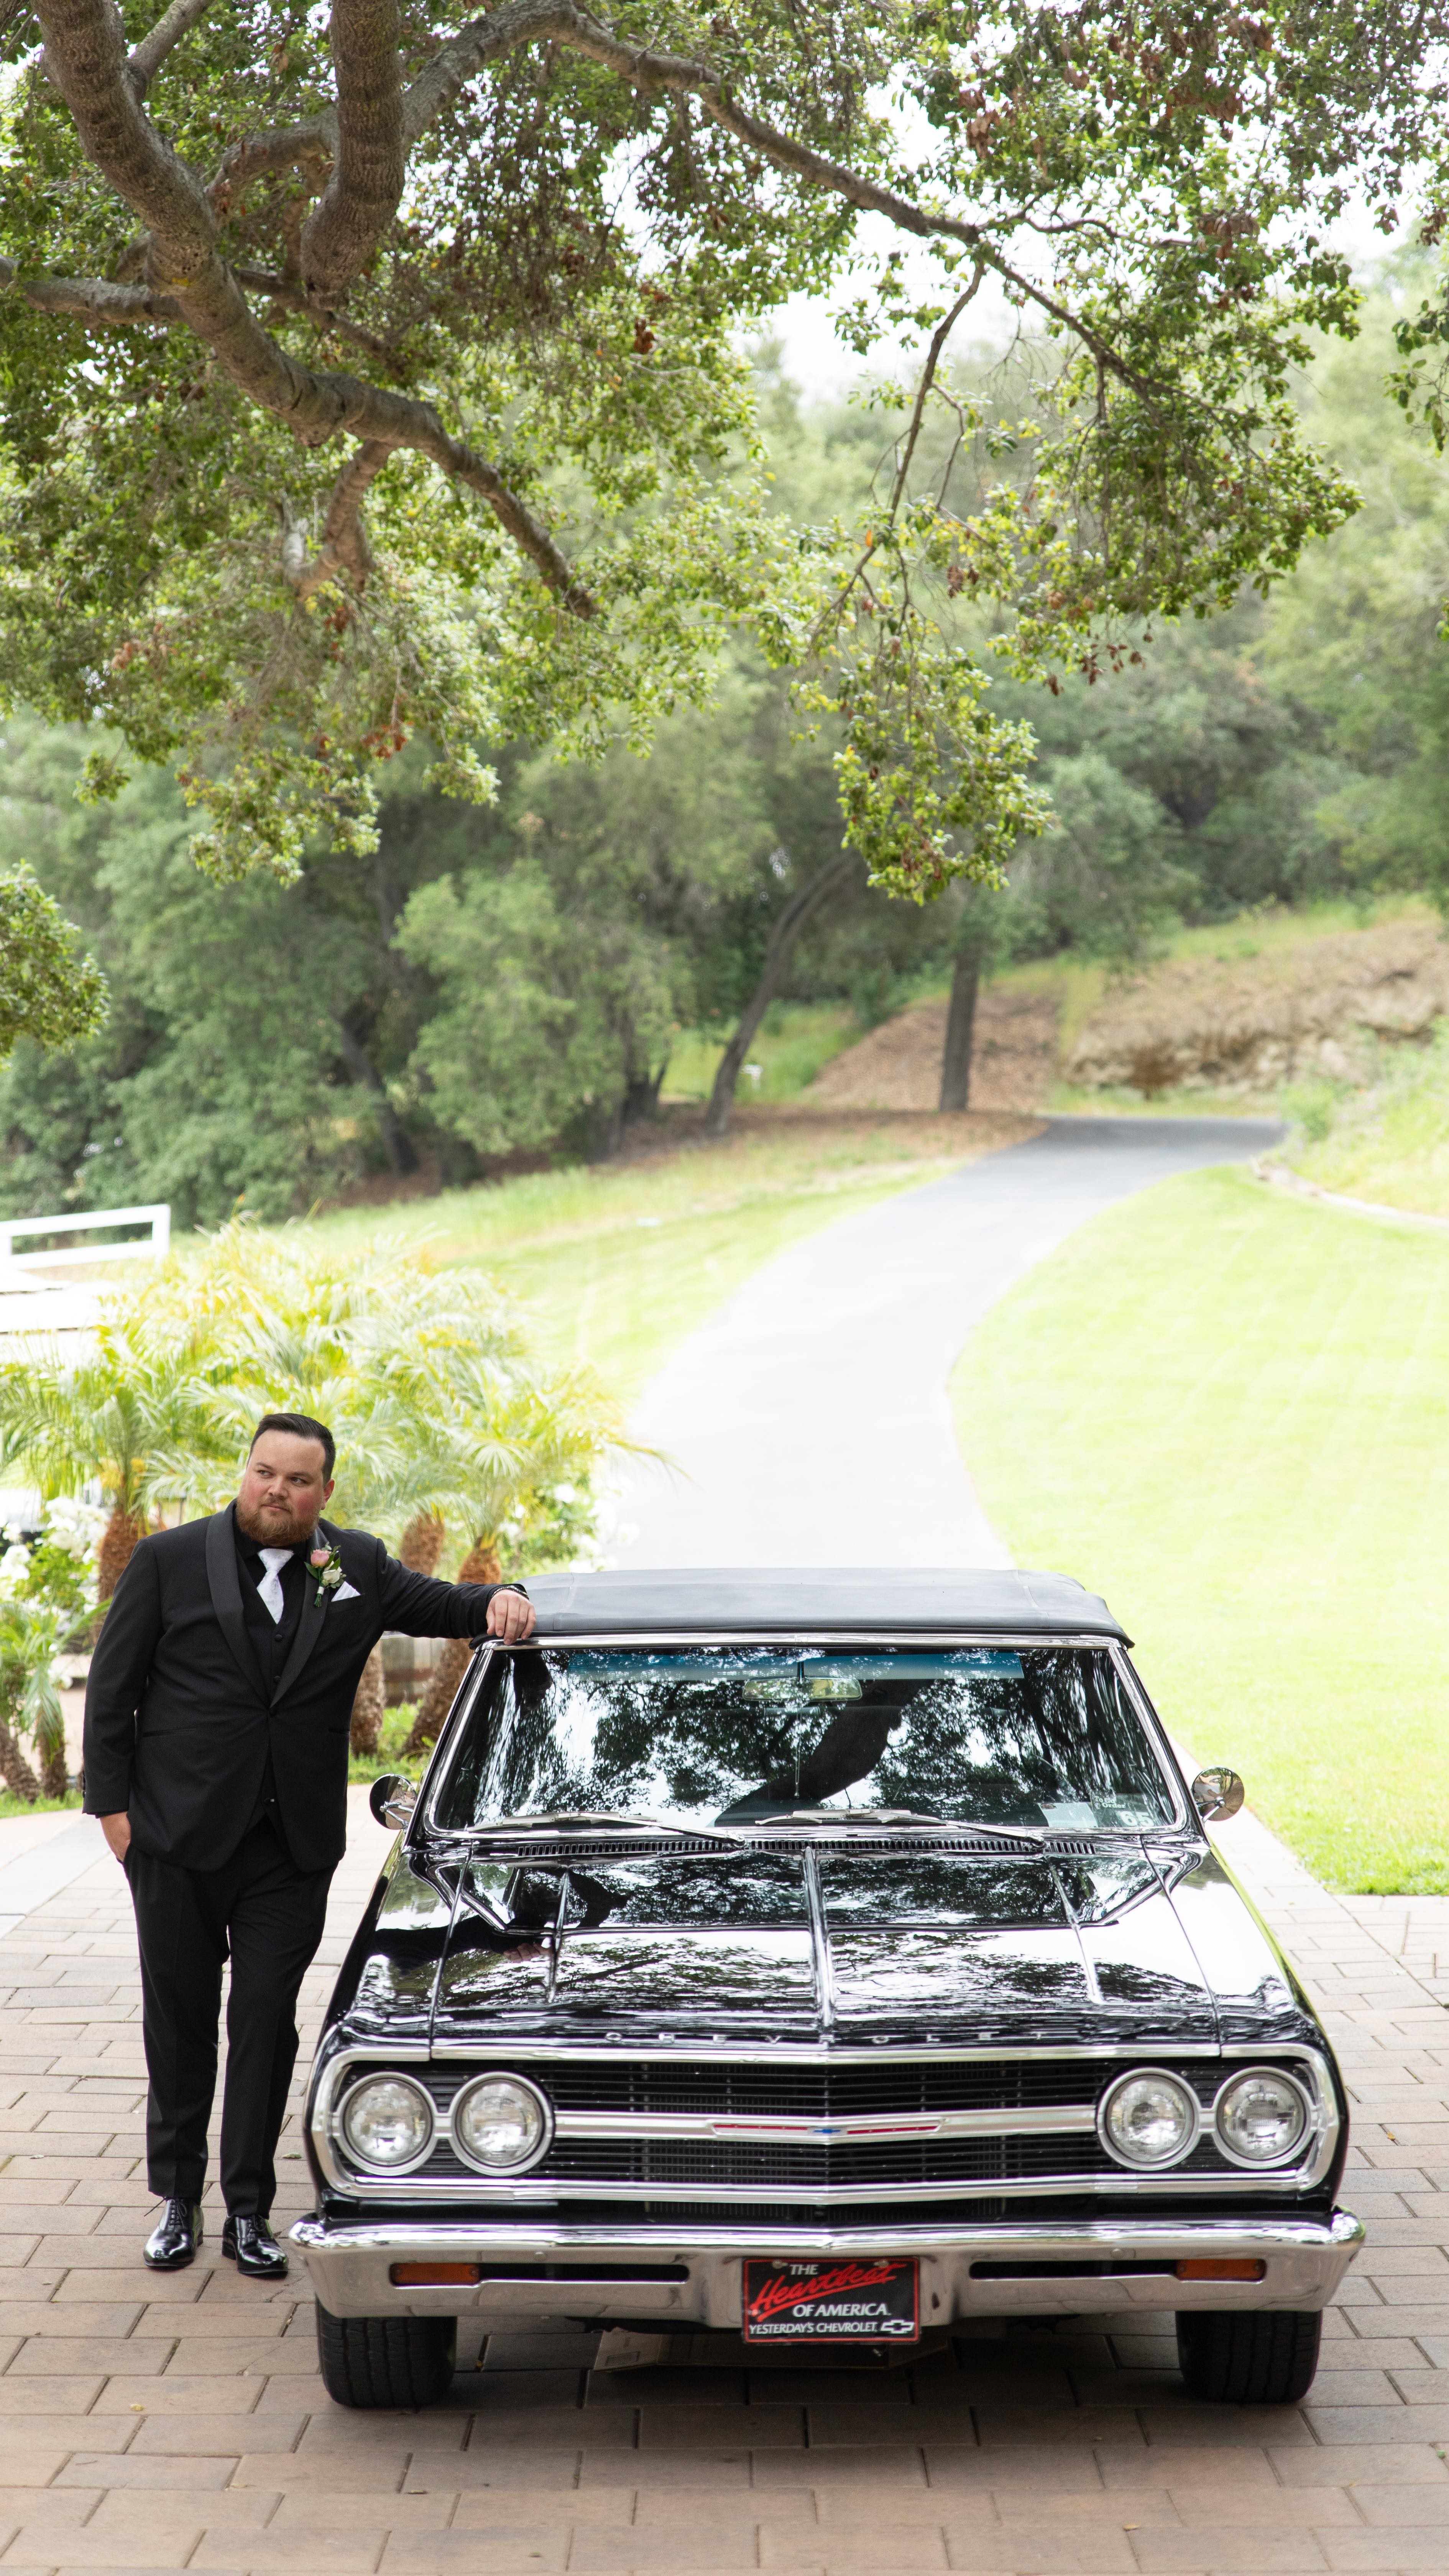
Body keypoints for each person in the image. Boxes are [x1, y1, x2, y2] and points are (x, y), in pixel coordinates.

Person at [83, 1411, 536, 2278]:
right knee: (177, 2022)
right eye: (265, 1473)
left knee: (264, 2023)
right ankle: (177, 2200)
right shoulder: (168, 1561)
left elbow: (443, 1605)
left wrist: (497, 1599)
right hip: (175, 1839)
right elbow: (114, 1691)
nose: (277, 1491)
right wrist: (115, 1816)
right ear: (244, 1472)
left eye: (297, 1480)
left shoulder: (356, 1564)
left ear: (325, 1492)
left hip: (289, 1849)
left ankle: (248, 2211)